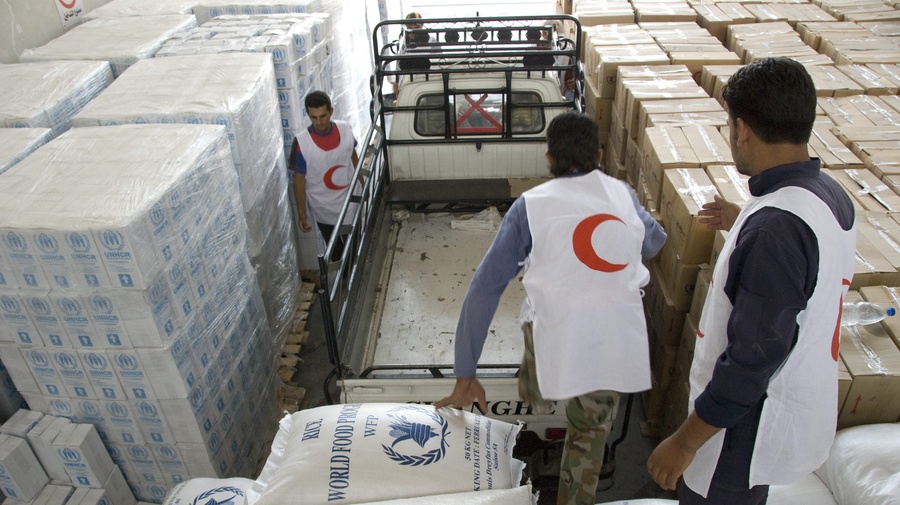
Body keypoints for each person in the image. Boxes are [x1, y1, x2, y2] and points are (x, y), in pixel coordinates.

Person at [646, 57, 856, 504]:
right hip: (792, 409)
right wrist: (742, 220)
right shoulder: (829, 195)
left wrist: (684, 443)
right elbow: (805, 269)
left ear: (742, 129)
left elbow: (749, 361)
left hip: (740, 436)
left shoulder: (774, 232)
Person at [435, 112, 666, 505]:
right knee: (588, 434)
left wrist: (465, 372)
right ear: (599, 156)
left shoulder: (531, 206)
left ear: (549, 158)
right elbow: (655, 243)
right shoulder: (622, 193)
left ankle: (539, 389)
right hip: (613, 341)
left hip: (555, 336)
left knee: (539, 318)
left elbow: (485, 288)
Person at [290, 90, 361, 262]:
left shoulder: (345, 129)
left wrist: (362, 183)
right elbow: (299, 181)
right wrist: (302, 212)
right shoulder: (302, 143)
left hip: (350, 199)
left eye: (323, 116)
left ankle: (356, 273)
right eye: (313, 117)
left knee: (355, 245)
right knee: (335, 252)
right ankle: (344, 276)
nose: (319, 122)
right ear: (308, 115)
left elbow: (352, 155)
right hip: (323, 207)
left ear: (331, 111)